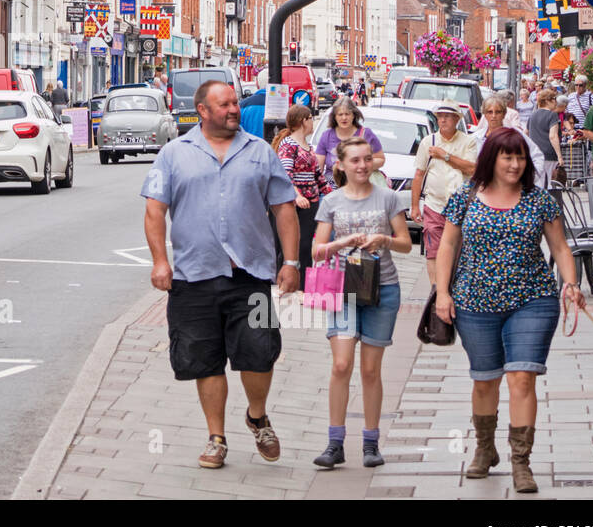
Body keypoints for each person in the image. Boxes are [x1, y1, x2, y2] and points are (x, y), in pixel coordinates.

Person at [142, 80, 300, 470]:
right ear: (202, 110)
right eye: (225, 104)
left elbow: (284, 209)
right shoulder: (173, 154)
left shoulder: (260, 152)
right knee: (204, 360)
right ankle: (216, 438)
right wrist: (161, 261)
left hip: (251, 274)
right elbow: (154, 211)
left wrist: (292, 263)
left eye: (235, 102)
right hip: (194, 277)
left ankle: (257, 416)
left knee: (260, 354)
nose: (234, 109)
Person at [434, 128, 584, 494]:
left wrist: (571, 283)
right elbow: (447, 246)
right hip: (474, 300)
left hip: (532, 299)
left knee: (522, 378)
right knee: (485, 380)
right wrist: (442, 293)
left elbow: (561, 248)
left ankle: (521, 462)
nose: (515, 164)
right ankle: (486, 450)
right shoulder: (465, 197)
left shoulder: (539, 200)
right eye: (507, 157)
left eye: (520, 158)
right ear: (492, 159)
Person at [310, 136, 412, 469]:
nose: (362, 166)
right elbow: (317, 250)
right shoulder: (332, 201)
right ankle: (335, 442)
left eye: (367, 159)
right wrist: (344, 242)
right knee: (341, 365)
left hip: (383, 288)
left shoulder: (388, 198)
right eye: (355, 160)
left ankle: (371, 442)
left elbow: (406, 243)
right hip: (343, 288)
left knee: (370, 370)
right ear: (340, 164)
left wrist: (383, 239)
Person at [409, 102, 478, 286]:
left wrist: (445, 155)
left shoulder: (468, 141)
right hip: (434, 204)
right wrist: (415, 205)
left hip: (461, 207)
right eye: (440, 116)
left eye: (447, 116)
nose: (443, 120)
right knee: (432, 248)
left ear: (456, 119)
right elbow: (419, 174)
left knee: (458, 249)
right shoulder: (428, 142)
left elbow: (472, 168)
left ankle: (453, 285)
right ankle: (435, 288)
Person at [273, 104, 331, 289]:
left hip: (311, 202)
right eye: (310, 119)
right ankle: (285, 279)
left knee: (305, 245)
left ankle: (304, 285)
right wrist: (296, 195)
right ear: (301, 121)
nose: (312, 122)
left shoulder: (308, 146)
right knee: (289, 243)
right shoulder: (288, 145)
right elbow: (285, 173)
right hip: (293, 203)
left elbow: (319, 177)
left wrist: (335, 198)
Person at [473, 96, 544, 186]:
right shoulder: (476, 137)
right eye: (490, 112)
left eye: (498, 112)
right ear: (485, 114)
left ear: (504, 113)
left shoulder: (516, 134)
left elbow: (537, 156)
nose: (494, 116)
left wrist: (528, 179)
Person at [314, 97, 385, 186]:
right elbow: (318, 168)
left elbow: (380, 159)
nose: (344, 118)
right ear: (334, 117)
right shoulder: (326, 136)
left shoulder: (366, 134)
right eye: (340, 114)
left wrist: (361, 166)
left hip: (360, 186)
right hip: (332, 188)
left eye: (347, 114)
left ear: (353, 115)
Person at [526, 88, 562, 185]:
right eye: (554, 99)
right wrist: (559, 156)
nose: (555, 102)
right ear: (547, 101)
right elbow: (553, 136)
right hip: (548, 154)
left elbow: (526, 134)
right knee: (549, 182)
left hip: (534, 154)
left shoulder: (532, 115)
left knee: (538, 182)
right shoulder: (552, 115)